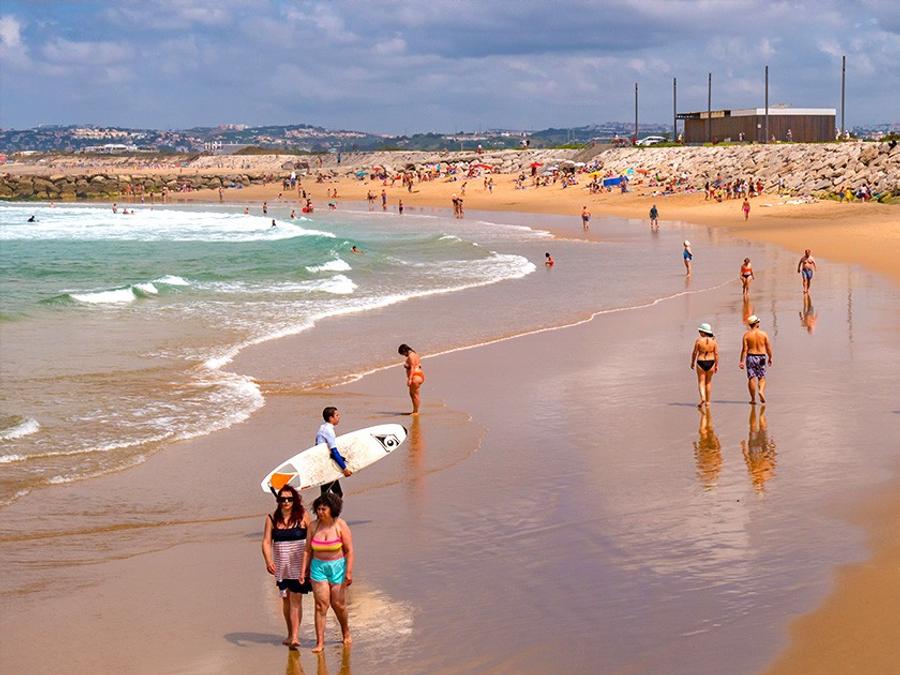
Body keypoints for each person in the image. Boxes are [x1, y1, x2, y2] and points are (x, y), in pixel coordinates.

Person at [301, 492, 353, 652]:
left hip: (338, 568)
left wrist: (348, 572)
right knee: (320, 606)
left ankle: (345, 631)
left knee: (338, 604)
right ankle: (320, 642)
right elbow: (307, 550)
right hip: (318, 568)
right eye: (318, 509)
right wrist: (303, 571)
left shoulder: (340, 525)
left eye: (324, 509)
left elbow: (349, 550)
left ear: (332, 509)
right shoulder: (313, 526)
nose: (320, 512)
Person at [262, 485, 311, 650]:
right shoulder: (271, 518)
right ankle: (290, 633)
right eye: (283, 499)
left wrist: (311, 562)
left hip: (299, 565)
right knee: (286, 600)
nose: (286, 502)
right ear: (278, 500)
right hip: (282, 566)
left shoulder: (303, 516)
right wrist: (268, 561)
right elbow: (266, 542)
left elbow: (311, 538)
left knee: (296, 599)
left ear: (294, 500)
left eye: (290, 499)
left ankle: (295, 636)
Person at [316, 407, 352, 497]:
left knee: (326, 493)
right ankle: (325, 506)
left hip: (322, 463)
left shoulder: (323, 427)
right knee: (337, 494)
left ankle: (323, 506)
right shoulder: (329, 431)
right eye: (337, 415)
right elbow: (334, 451)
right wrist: (344, 469)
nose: (339, 417)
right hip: (326, 465)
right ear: (331, 418)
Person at [739, 314, 773, 405]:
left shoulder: (746, 335)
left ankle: (753, 399)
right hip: (761, 357)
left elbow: (744, 349)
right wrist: (770, 357)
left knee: (751, 378)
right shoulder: (764, 334)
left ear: (750, 325)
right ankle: (761, 390)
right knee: (762, 377)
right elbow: (768, 348)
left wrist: (741, 361)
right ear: (757, 323)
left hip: (750, 357)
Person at [690, 323, 719, 408]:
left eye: (700, 331)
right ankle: (708, 402)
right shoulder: (714, 341)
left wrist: (692, 362)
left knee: (701, 382)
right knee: (708, 382)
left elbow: (695, 353)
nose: (699, 333)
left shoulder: (699, 341)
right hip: (711, 362)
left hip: (701, 362)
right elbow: (716, 354)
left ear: (703, 332)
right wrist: (716, 365)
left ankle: (703, 397)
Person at [398, 344, 424, 414]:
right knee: (413, 394)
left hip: (415, 376)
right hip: (419, 375)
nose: (404, 355)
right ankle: (415, 410)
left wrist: (409, 379)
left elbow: (412, 367)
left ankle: (416, 411)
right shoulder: (415, 354)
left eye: (403, 354)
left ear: (404, 351)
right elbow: (418, 366)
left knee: (415, 395)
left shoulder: (411, 356)